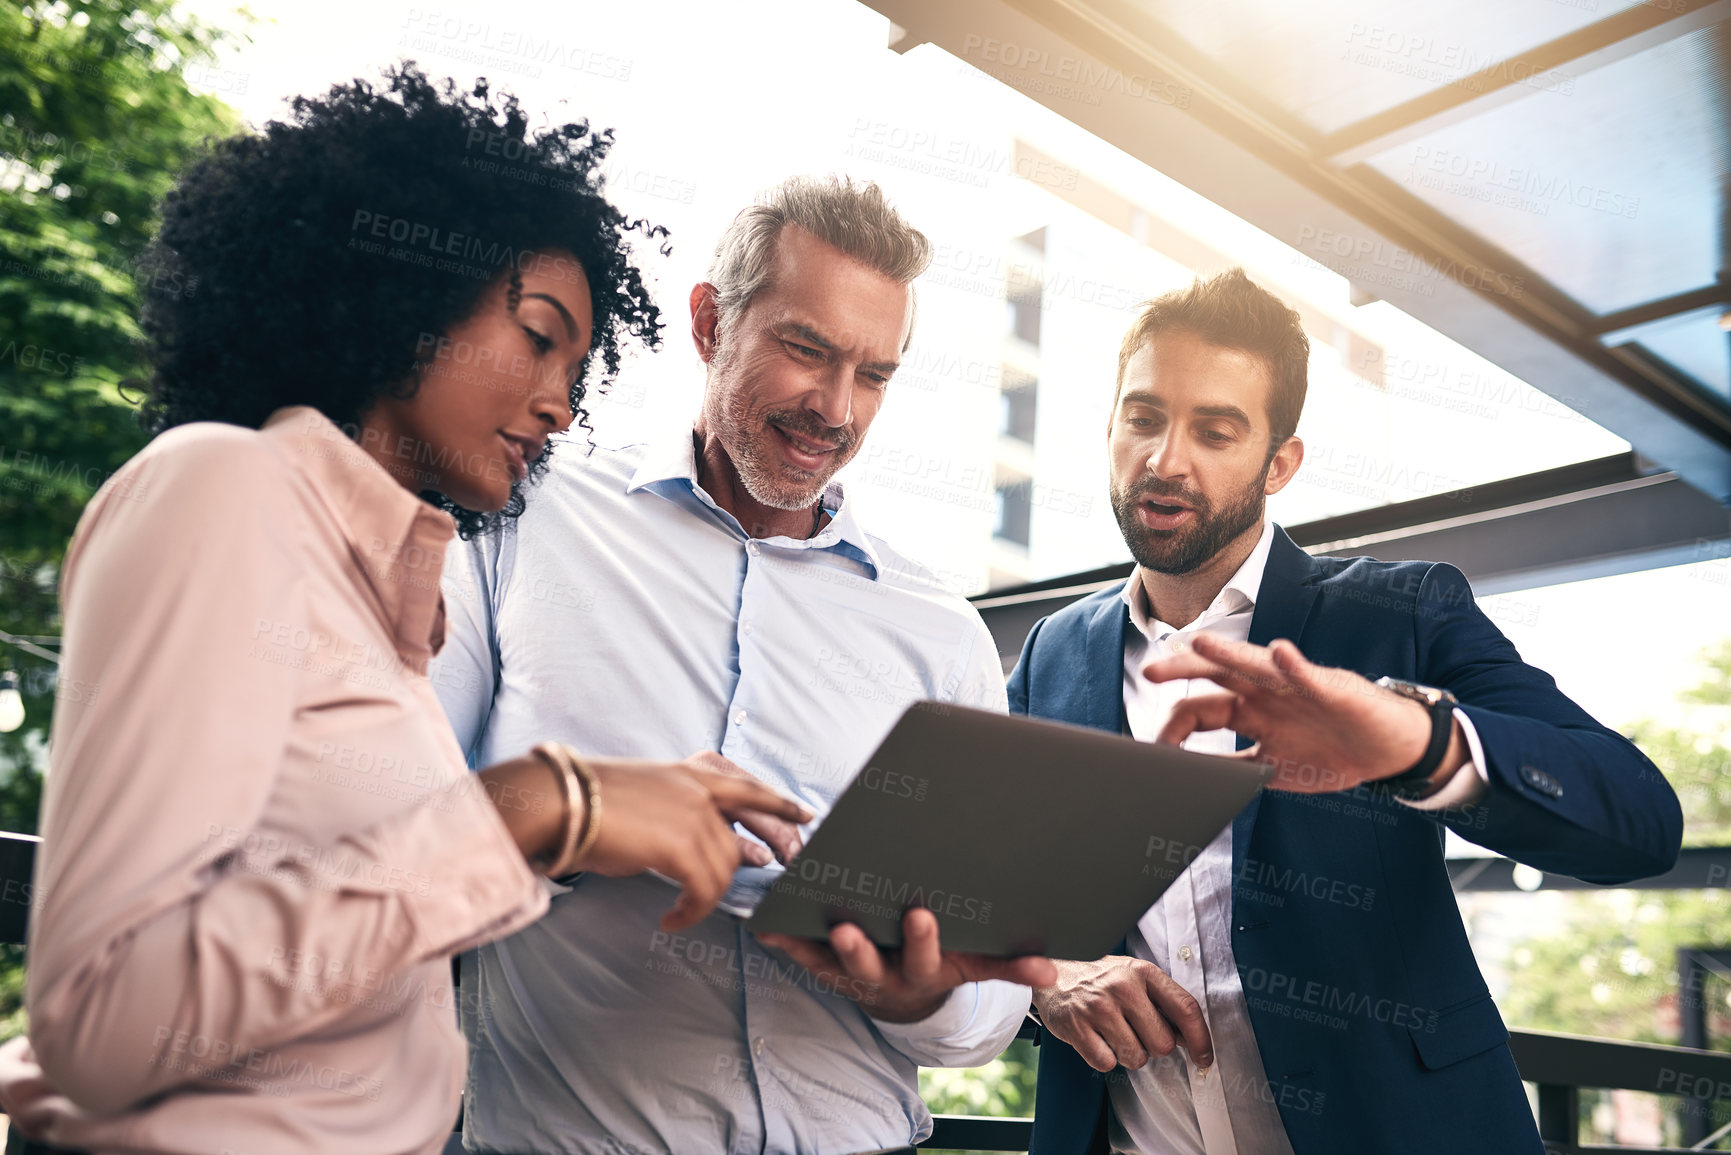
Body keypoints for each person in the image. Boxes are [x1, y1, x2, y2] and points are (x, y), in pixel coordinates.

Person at [0, 67, 808, 1155]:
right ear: (399, 292)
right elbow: (103, 1018)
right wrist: (533, 807)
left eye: (578, 365)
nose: (561, 406)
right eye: (537, 334)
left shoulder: (376, 605)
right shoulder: (224, 489)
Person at [431, 174, 1055, 1154]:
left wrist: (926, 991)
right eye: (807, 350)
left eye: (876, 374)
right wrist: (581, 823)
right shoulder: (522, 520)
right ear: (711, 323)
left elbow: (985, 1017)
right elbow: (395, 834)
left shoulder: (941, 635)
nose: (835, 409)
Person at [1010, 268, 1683, 1155]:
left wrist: (1420, 742)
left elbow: (1637, 818)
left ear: (1278, 462)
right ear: (1109, 429)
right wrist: (1042, 978)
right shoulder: (1051, 654)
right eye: (1143, 418)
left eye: (1215, 430)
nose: (1166, 459)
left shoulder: (1398, 613)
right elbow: (990, 907)